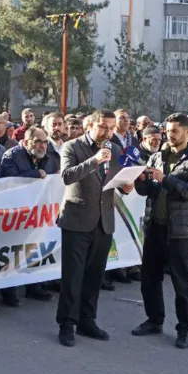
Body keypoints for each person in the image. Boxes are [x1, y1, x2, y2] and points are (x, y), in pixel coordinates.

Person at [131, 113, 188, 349]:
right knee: (149, 278)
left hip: (180, 230)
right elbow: (146, 191)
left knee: (181, 282)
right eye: (167, 131)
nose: (169, 135)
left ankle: (184, 329)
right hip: (155, 226)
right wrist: (140, 180)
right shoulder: (157, 156)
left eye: (175, 131)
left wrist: (165, 179)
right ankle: (154, 320)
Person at [55, 110, 133, 347]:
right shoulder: (72, 146)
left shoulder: (115, 149)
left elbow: (113, 180)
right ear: (89, 125)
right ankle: (67, 324)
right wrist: (95, 160)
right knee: (73, 276)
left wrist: (125, 187)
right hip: (77, 219)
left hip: (103, 220)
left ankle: (86, 320)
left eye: (111, 128)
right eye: (103, 127)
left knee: (94, 275)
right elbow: (67, 176)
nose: (107, 132)